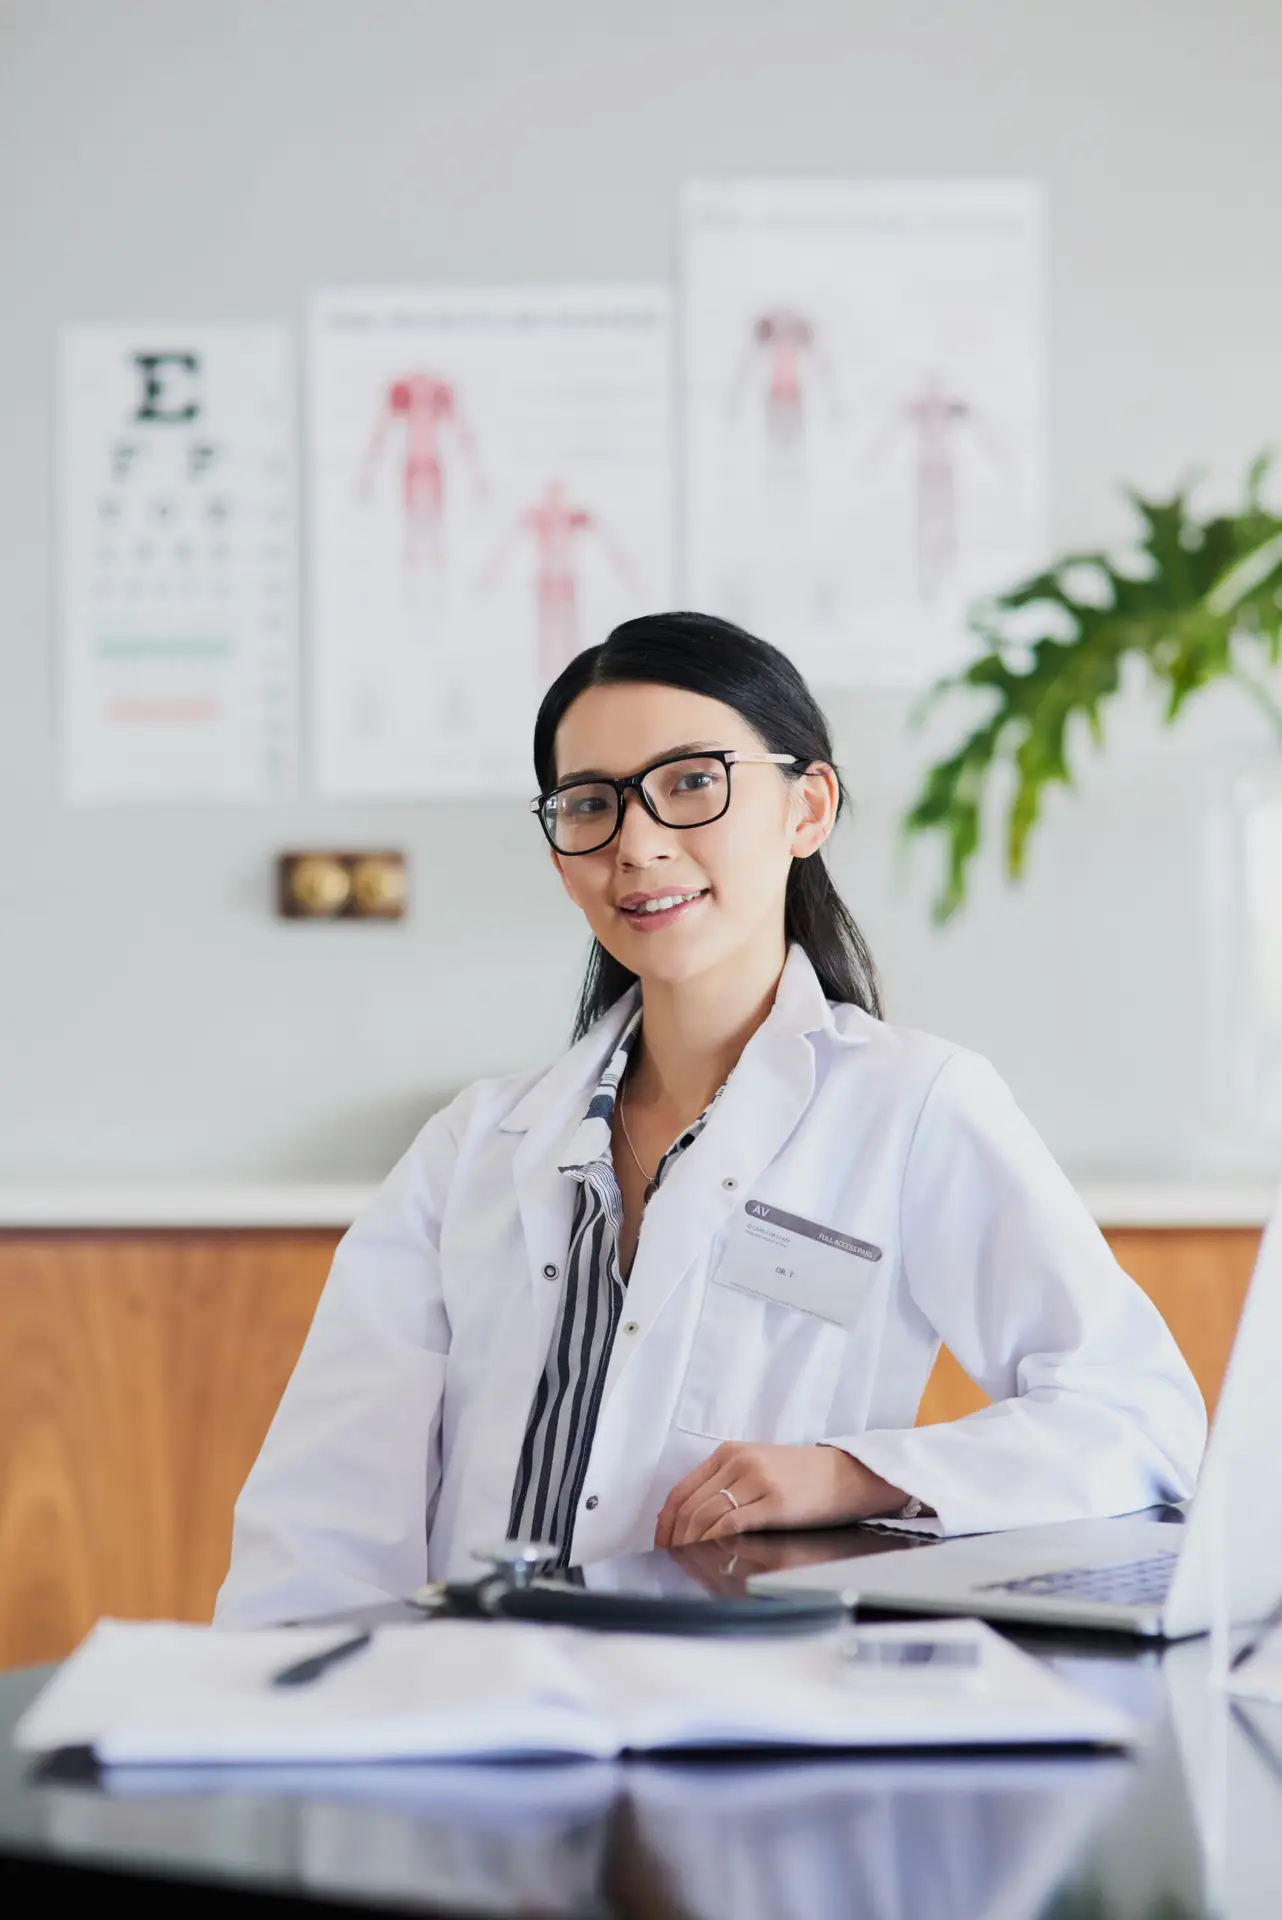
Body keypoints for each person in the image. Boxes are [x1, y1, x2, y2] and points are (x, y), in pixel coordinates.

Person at [215, 612, 1205, 1627]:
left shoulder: (911, 1105)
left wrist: (853, 1473)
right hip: (472, 1693)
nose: (638, 844)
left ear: (807, 808)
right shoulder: (472, 1148)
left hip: (739, 1694)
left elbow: (1136, 1417)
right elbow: (322, 1525)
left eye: (692, 783)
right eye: (590, 804)